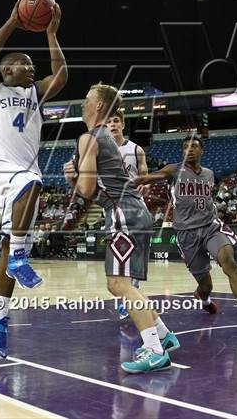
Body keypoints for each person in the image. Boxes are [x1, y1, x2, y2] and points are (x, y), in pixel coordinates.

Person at [64, 84, 179, 373]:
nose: (83, 102)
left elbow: (87, 188)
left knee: (119, 285)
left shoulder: (90, 137)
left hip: (122, 214)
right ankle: (163, 337)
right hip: (133, 212)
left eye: (88, 99)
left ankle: (154, 350)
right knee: (122, 285)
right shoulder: (105, 138)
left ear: (100, 106)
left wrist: (73, 177)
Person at [0, 0, 67, 359]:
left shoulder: (35, 93)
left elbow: (61, 75)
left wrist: (50, 33)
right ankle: (18, 256)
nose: (31, 68)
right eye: (23, 64)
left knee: (8, 248)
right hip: (2, 171)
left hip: (21, 176)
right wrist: (13, 21)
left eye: (32, 65)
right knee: (34, 182)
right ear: (7, 70)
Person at [135, 135, 237, 332]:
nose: (189, 150)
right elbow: (148, 177)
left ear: (201, 151)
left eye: (194, 146)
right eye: (185, 147)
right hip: (186, 234)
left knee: (228, 261)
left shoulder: (209, 174)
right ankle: (204, 300)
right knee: (206, 286)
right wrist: (134, 181)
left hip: (210, 226)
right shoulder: (174, 170)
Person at [106, 109, 148, 320]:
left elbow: (144, 176)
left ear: (122, 124)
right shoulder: (101, 150)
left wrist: (144, 185)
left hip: (134, 205)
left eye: (116, 121)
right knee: (119, 256)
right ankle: (127, 296)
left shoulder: (136, 149)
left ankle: (132, 291)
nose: (112, 125)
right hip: (114, 207)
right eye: (109, 122)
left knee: (133, 254)